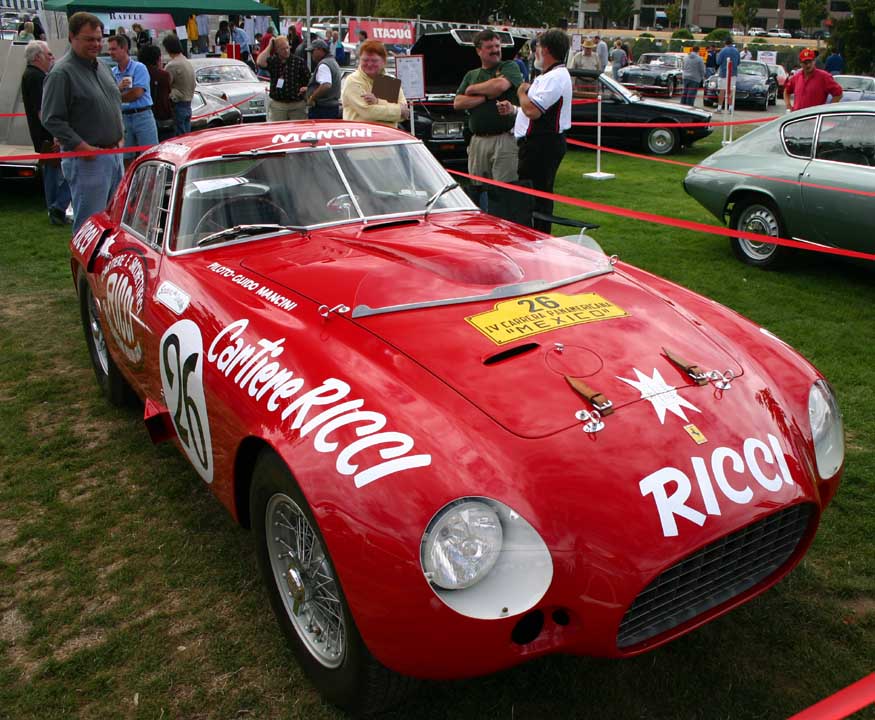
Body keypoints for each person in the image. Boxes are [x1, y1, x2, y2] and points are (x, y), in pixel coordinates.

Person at [41, 12, 124, 233]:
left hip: (114, 156)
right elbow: (51, 118)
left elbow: (113, 103)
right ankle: (83, 268)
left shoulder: (102, 67)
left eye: (99, 39)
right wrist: (82, 147)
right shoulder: (62, 73)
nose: (96, 44)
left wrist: (119, 136)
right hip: (89, 161)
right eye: (89, 39)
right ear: (72, 37)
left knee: (114, 221)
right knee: (90, 226)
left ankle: (105, 266)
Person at [500, 27, 572, 234]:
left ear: (546, 50)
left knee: (534, 197)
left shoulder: (555, 77)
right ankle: (535, 235)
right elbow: (531, 110)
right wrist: (514, 109)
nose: (534, 53)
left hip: (541, 144)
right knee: (534, 194)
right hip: (538, 142)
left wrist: (522, 92)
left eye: (537, 48)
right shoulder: (550, 76)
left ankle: (536, 237)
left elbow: (532, 110)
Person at [454, 29, 523, 186]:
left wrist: (471, 90)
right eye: (490, 47)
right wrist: (485, 96)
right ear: (479, 50)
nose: (495, 50)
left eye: (497, 45)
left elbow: (500, 85)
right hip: (477, 140)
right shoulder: (471, 75)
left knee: (504, 191)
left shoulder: (509, 66)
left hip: (504, 139)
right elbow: (458, 102)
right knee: (478, 190)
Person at [21, 41, 72, 225]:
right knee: (57, 173)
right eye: (48, 54)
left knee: (55, 173)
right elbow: (43, 110)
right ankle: (55, 209)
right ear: (38, 57)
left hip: (44, 133)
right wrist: (55, 134)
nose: (52, 58)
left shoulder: (34, 75)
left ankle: (56, 209)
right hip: (46, 135)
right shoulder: (36, 77)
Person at [108, 33, 158, 161]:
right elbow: (107, 96)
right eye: (109, 49)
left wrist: (115, 95)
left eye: (113, 49)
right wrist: (117, 90)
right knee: (125, 158)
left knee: (149, 156)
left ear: (124, 49)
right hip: (123, 118)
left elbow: (137, 93)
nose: (110, 52)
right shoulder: (112, 72)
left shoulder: (139, 68)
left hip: (142, 116)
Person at [341, 39, 409, 127]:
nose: (369, 64)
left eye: (374, 61)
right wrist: (399, 111)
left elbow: (405, 114)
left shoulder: (389, 81)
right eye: (365, 60)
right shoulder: (353, 81)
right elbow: (368, 113)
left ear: (384, 62)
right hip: (363, 138)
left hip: (389, 138)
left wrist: (377, 102)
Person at [257, 34, 310, 121]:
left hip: (297, 104)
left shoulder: (299, 61)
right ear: (277, 50)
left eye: (287, 48)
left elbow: (308, 80)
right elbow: (260, 62)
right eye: (282, 49)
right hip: (278, 105)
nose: (286, 51)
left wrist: (306, 89)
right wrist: (270, 46)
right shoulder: (273, 61)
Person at [162, 34, 195, 136]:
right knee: (186, 138)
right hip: (188, 104)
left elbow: (166, 86)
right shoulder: (187, 62)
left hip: (177, 105)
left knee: (178, 139)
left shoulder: (172, 65)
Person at [139, 45, 174, 140]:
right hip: (161, 116)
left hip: (142, 115)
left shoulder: (138, 73)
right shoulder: (163, 75)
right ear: (158, 58)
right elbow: (166, 94)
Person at [303, 39, 341, 119]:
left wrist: (312, 97)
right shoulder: (332, 61)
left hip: (322, 109)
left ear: (320, 50)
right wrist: (309, 89)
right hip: (331, 108)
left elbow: (326, 85)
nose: (311, 54)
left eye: (312, 51)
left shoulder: (324, 65)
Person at [716, 37, 740, 112]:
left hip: (723, 73)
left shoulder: (723, 50)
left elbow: (718, 62)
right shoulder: (736, 51)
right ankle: (730, 107)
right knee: (731, 91)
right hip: (733, 73)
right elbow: (739, 62)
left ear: (725, 43)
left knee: (722, 91)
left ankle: (719, 107)